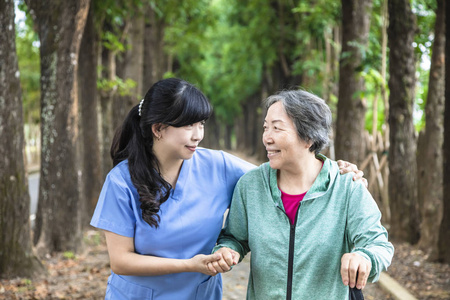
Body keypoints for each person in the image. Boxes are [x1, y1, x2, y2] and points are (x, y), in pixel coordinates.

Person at [90, 78, 366, 300]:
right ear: (159, 129)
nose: (198, 134)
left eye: (201, 124)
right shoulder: (120, 181)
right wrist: (189, 264)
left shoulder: (218, 165)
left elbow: (280, 177)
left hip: (201, 294)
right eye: (188, 125)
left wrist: (333, 170)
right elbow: (121, 261)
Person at [210, 90, 394, 300]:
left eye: (277, 128)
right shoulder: (251, 185)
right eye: (265, 128)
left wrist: (364, 257)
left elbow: (378, 243)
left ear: (308, 137)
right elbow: (235, 237)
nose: (267, 138)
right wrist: (227, 250)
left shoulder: (346, 187)